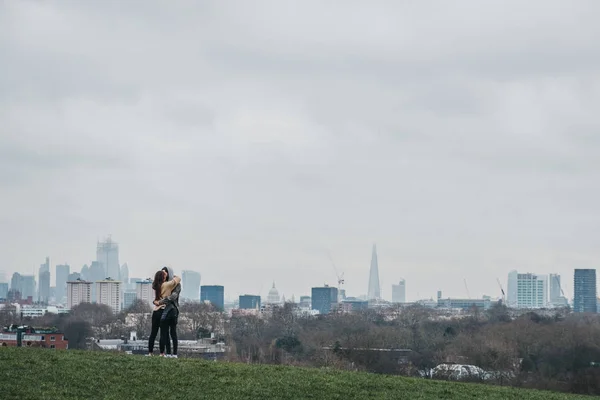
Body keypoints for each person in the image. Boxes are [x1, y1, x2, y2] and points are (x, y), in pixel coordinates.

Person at [155, 266, 181, 358]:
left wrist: (161, 302)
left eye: (166, 273)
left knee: (173, 332)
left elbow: (173, 297)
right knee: (164, 333)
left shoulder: (176, 284)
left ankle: (174, 354)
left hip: (173, 310)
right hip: (164, 309)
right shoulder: (164, 284)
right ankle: (168, 353)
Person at [147, 269, 166, 356]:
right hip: (163, 310)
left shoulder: (154, 287)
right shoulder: (166, 286)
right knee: (163, 333)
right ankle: (162, 353)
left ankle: (150, 352)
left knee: (153, 333)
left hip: (156, 311)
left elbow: (153, 301)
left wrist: (157, 302)